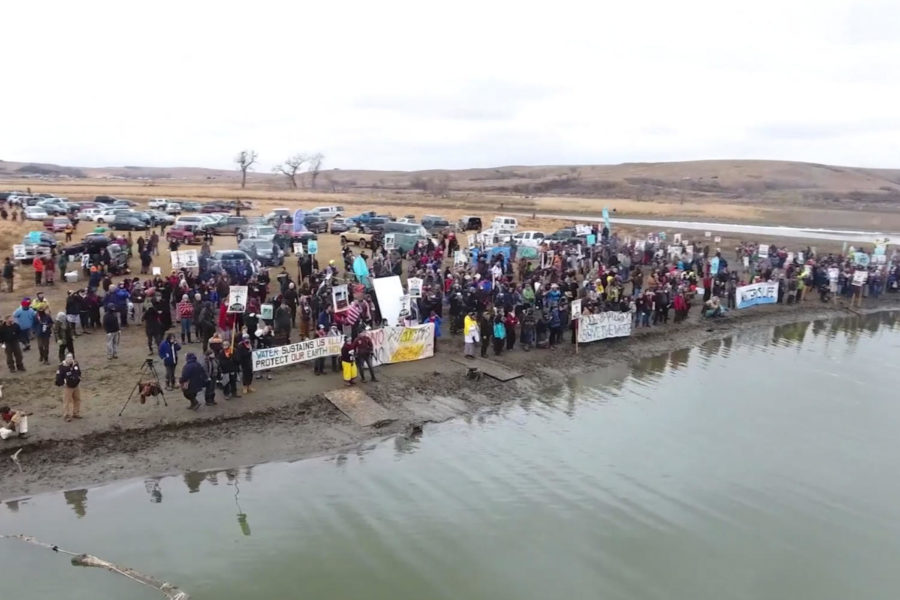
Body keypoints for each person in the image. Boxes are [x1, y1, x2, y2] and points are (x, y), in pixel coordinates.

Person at [55, 353, 82, 421]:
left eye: (71, 357)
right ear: (65, 358)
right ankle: (66, 415)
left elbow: (79, 372)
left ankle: (76, 413)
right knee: (66, 401)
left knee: (77, 399)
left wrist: (78, 378)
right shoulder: (62, 366)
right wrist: (62, 383)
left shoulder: (75, 364)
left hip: (76, 385)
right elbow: (58, 377)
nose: (70, 359)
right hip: (68, 386)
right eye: (68, 357)